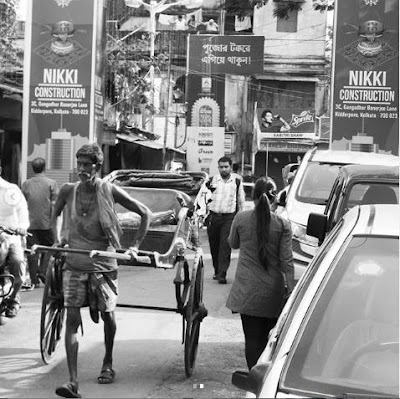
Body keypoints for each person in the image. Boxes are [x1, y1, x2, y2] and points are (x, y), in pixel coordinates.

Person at [53, 144, 152, 398]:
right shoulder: (67, 190)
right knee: (72, 320)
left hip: (104, 265)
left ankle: (108, 362)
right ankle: (73, 382)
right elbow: (51, 219)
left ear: (97, 167)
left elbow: (145, 213)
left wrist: (134, 247)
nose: (82, 169)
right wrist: (59, 240)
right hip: (74, 264)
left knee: (108, 316)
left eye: (88, 165)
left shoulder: (109, 190)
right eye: (80, 164)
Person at [227, 177, 294, 370]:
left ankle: (254, 380)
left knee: (252, 340)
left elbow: (233, 243)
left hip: (247, 292)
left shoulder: (241, 218)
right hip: (272, 293)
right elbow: (287, 262)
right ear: (274, 198)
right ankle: (267, 379)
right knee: (270, 341)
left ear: (252, 196)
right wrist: (290, 292)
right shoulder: (282, 224)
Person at [204, 156, 245, 284]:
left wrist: (240, 219)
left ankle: (222, 273)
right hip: (213, 217)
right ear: (218, 168)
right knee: (214, 246)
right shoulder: (211, 181)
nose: (223, 169)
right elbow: (204, 198)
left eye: (226, 167)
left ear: (230, 167)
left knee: (225, 246)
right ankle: (217, 270)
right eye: (221, 167)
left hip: (229, 218)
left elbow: (240, 200)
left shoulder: (237, 181)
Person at [22, 157, 59, 287]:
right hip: (46, 223)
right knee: (50, 247)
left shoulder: (26, 184)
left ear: (33, 169)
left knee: (32, 251)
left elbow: (23, 204)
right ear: (44, 168)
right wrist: (54, 223)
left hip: (30, 224)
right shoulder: (51, 183)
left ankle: (34, 280)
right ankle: (43, 271)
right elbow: (54, 206)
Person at [0, 161, 29, 318]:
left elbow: (22, 210)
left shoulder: (11, 190)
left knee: (17, 262)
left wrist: (22, 226)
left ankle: (13, 300)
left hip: (11, 236)